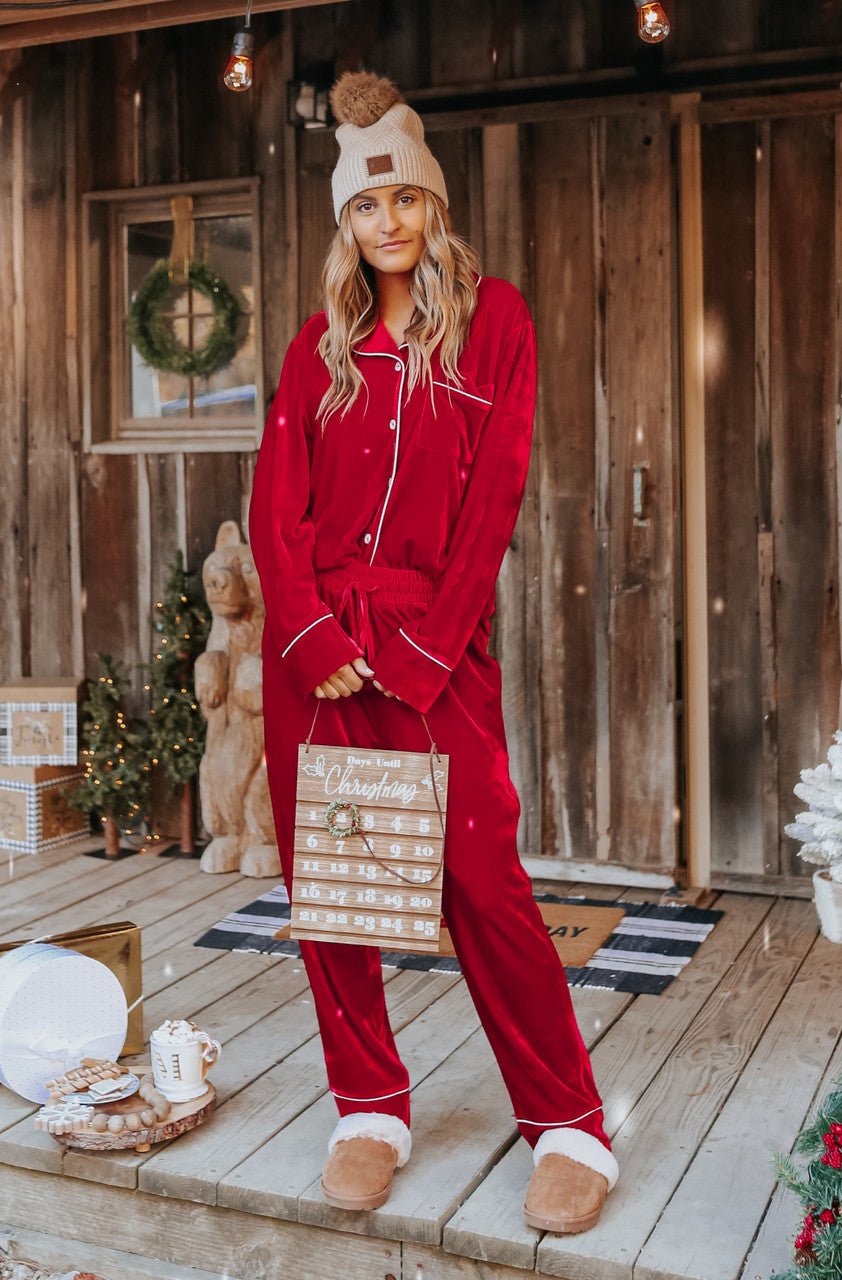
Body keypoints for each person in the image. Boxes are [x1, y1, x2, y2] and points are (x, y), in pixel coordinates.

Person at [247, 69, 619, 1233]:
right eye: (366, 207)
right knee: (336, 882)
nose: (388, 222)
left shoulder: (494, 320)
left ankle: (567, 1119)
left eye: (404, 197)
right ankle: (368, 1103)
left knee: (484, 883)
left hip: (430, 642)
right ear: (344, 224)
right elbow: (275, 509)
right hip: (318, 648)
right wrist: (309, 638)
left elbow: (495, 496)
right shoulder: (320, 344)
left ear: (433, 202)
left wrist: (420, 652)